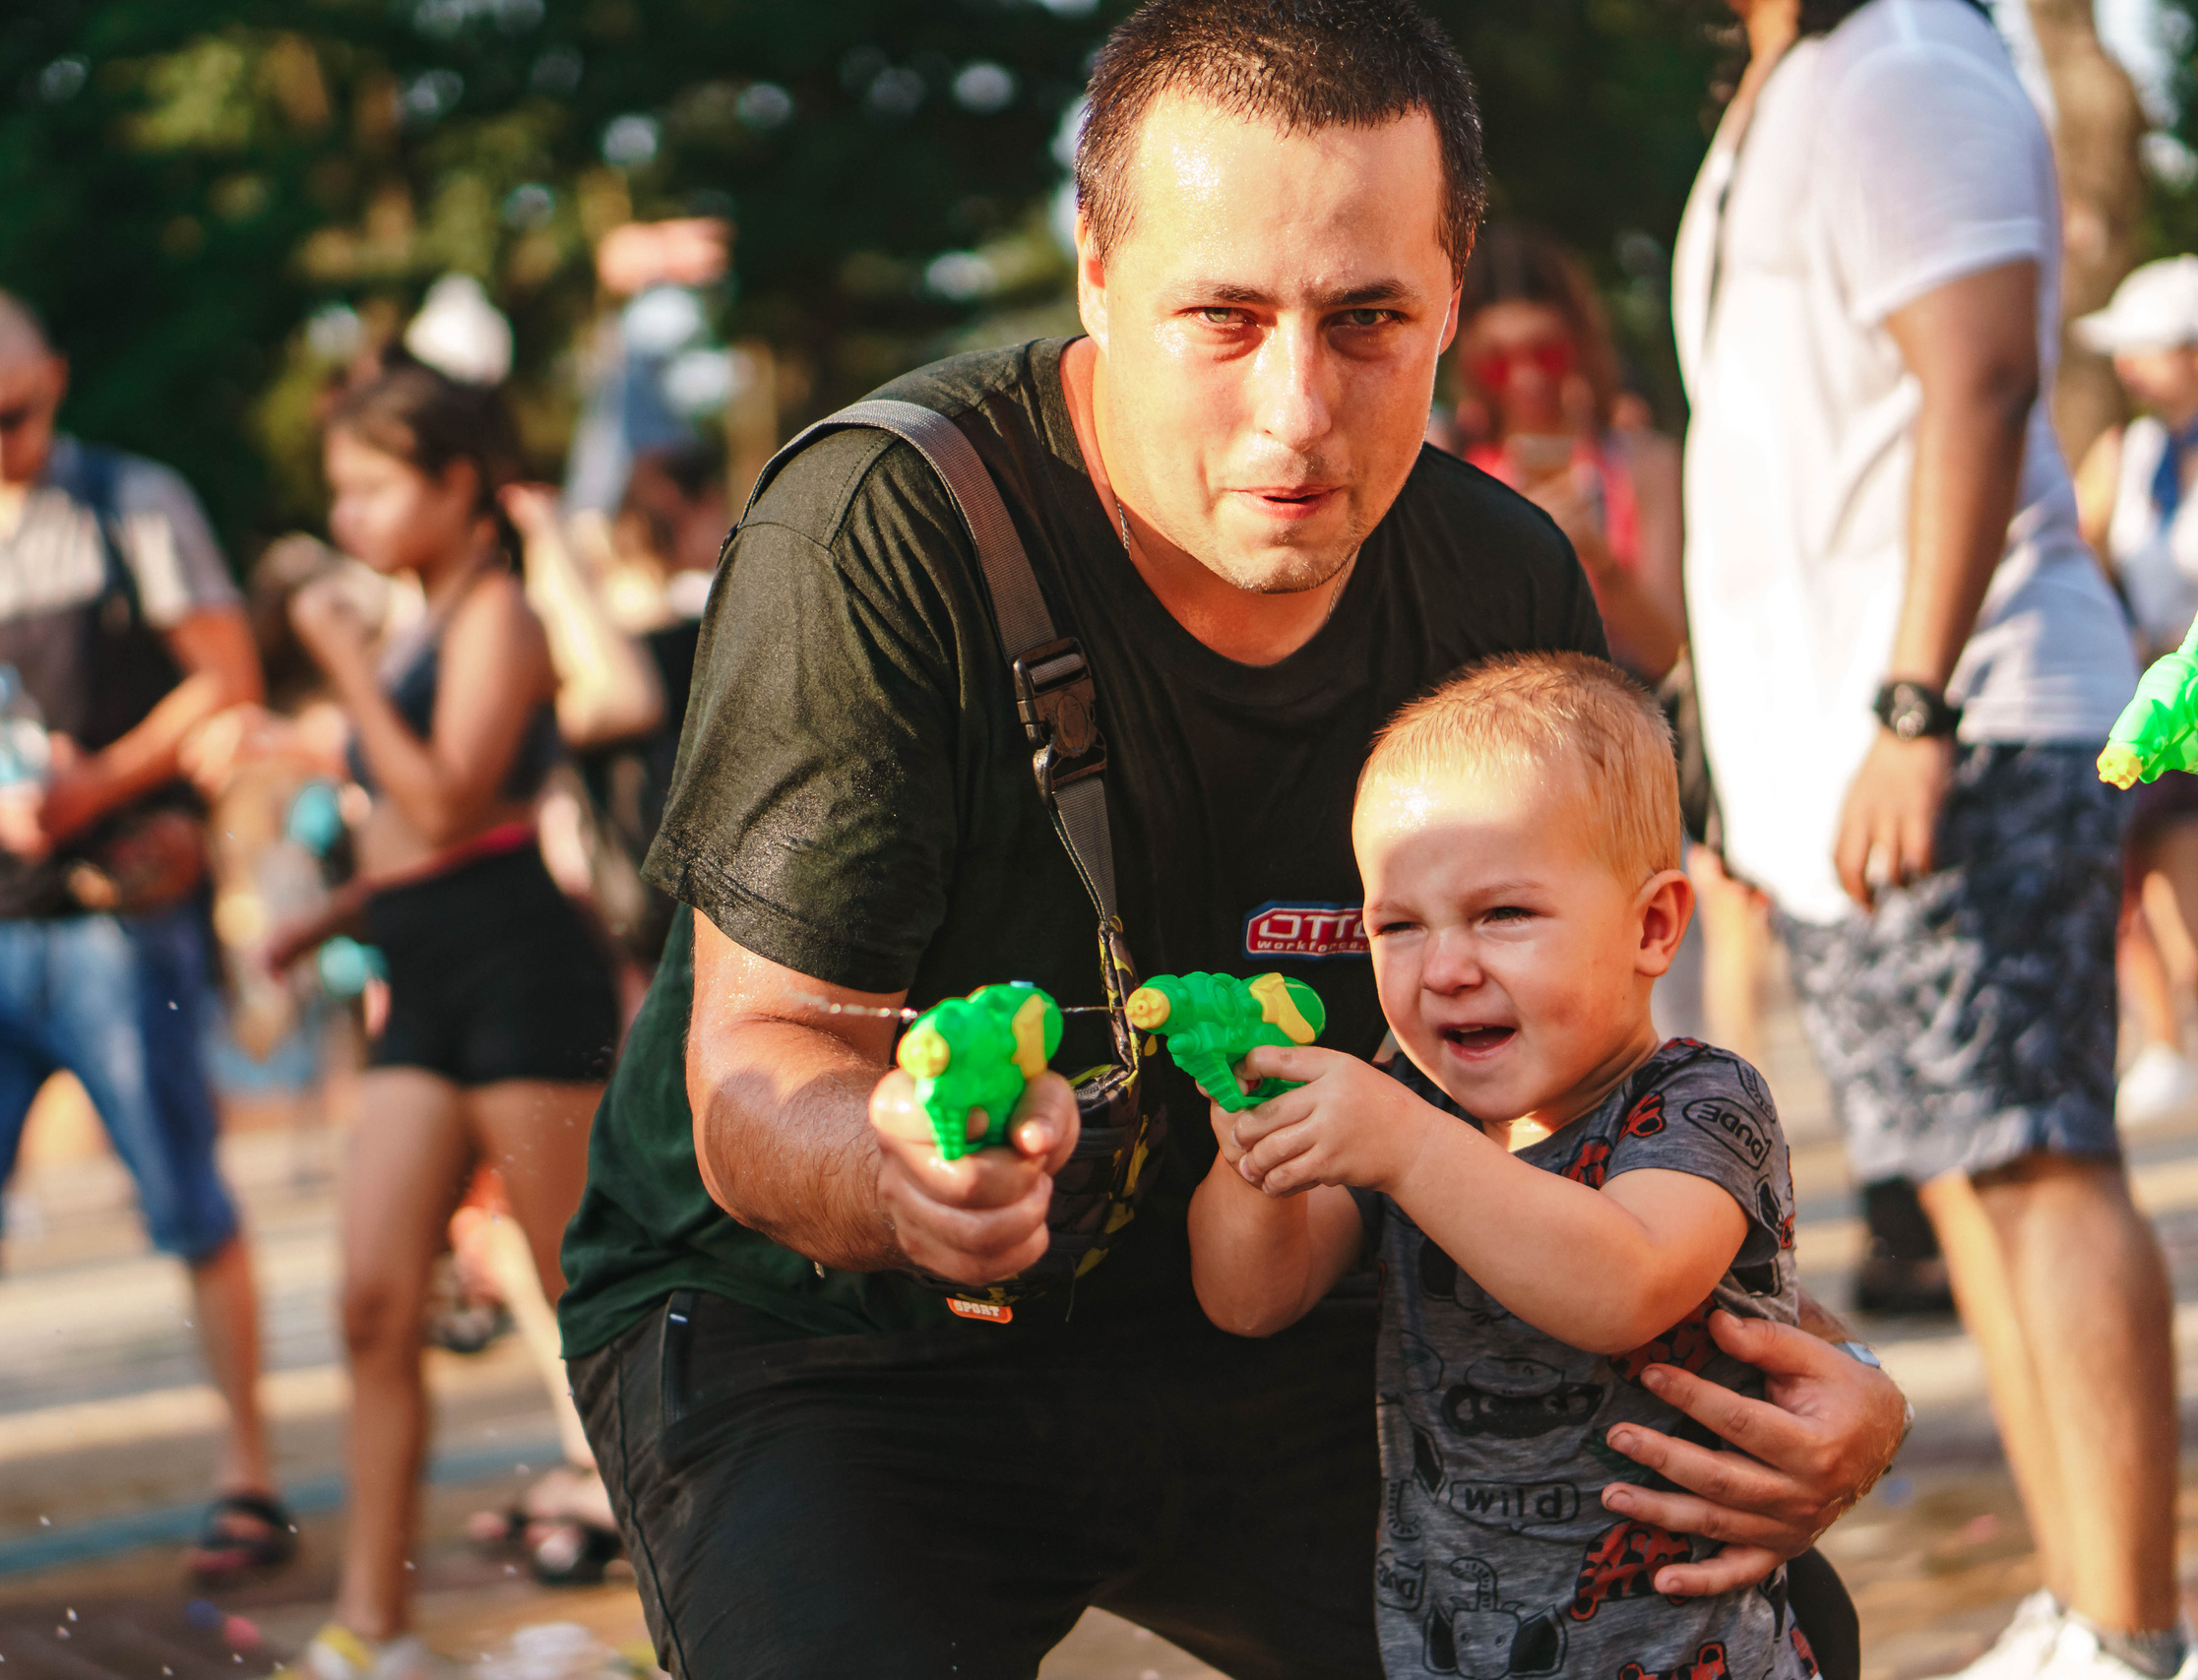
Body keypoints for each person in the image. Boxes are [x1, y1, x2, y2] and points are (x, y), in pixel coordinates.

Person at [557, 4, 1911, 1676]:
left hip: (1276, 1303)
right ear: (1097, 278)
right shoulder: (882, 532)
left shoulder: (1501, 592)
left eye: (1367, 321)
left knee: (1738, 1629)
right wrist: (905, 1168)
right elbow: (761, 1068)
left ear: (1454, 303)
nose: (1297, 414)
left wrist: (1832, 1375)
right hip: (829, 1338)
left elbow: (1584, 1106)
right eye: (1223, 316)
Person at [1671, 1, 2183, 1675]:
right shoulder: (1787, 85)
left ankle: (2133, 1627)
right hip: (1839, 756)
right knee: (1967, 1180)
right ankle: (2077, 1601)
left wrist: (1911, 707)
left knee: (2040, 1161)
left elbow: (1979, 376)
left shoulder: (1905, 55)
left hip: (1963, 714)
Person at [1191, 653, 1813, 1680]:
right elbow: (1250, 1299)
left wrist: (1402, 1143)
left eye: (1503, 915)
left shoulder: (1698, 1102)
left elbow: (1623, 1284)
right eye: (1397, 926)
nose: (1445, 968)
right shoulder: (1419, 1109)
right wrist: (1253, 1159)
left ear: (1651, 925)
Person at [0, 285, 286, 1622]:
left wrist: (96, 784)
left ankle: (249, 1472)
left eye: (13, 415)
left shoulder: (131, 502)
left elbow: (227, 677)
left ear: (56, 384)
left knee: (189, 1200)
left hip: (114, 919)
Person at [207, 361, 649, 1680]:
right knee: (370, 1301)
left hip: (521, 968)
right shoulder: (413, 626)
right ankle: (374, 1624)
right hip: (423, 972)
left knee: (589, 1308)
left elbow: (454, 802)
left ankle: (682, 1608)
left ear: (456, 485)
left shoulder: (497, 612)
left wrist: (336, 668)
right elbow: (413, 838)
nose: (347, 514)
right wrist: (326, 913)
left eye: (370, 484)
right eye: (337, 489)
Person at [1453, 223, 1686, 684]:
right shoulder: (1450, 459)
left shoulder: (1642, 463)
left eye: (1545, 353)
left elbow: (1666, 652)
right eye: (1500, 360)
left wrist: (1600, 561)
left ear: (1578, 345)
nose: (1525, 378)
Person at [2075, 256, 2198, 1127]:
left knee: (2185, 895)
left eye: (2147, 350)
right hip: (2147, 695)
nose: (2128, 368)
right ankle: (2164, 1044)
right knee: (2126, 883)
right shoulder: (2134, 450)